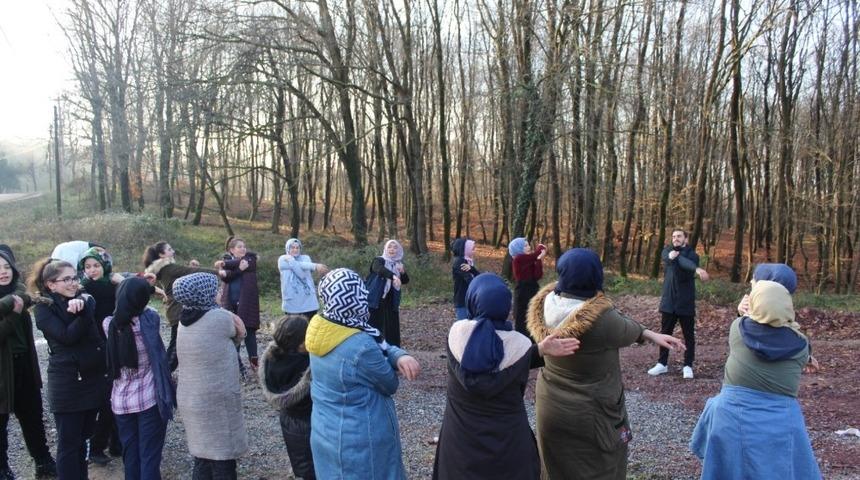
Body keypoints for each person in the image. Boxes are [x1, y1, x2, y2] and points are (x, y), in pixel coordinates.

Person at [527, 248, 686, 480]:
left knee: (555, 465)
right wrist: (650, 334)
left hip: (551, 405)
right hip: (592, 411)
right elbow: (627, 328)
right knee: (599, 466)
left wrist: (648, 333)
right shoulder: (602, 320)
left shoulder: (543, 305)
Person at [432, 273, 579, 480]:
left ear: (473, 299)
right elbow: (510, 363)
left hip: (459, 445)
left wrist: (538, 350)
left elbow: (485, 358)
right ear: (505, 306)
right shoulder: (520, 344)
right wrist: (538, 350)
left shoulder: (457, 334)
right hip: (508, 445)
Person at [690, 280, 821, 479]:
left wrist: (742, 309)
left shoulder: (737, 329)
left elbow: (751, 324)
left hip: (731, 417)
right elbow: (785, 344)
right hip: (780, 422)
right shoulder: (802, 345)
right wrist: (808, 358)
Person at [306, 268, 420, 480]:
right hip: (359, 439)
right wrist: (394, 359)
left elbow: (375, 342)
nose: (365, 295)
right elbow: (389, 382)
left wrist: (397, 355)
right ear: (354, 299)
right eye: (360, 292)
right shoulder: (360, 345)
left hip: (327, 430)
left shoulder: (322, 325)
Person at [29, 259, 110, 480]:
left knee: (84, 439)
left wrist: (85, 304)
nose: (73, 283)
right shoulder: (43, 309)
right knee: (68, 443)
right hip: (68, 384)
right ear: (50, 284)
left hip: (92, 380)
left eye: (74, 277)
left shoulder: (83, 299)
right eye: (66, 279)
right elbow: (67, 337)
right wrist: (83, 313)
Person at [173, 273, 248, 480]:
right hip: (216, 400)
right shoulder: (219, 317)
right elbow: (240, 332)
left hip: (191, 397)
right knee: (223, 457)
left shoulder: (183, 320)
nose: (218, 293)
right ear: (203, 294)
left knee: (202, 454)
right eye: (214, 290)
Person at [102, 277, 175, 480]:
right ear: (143, 300)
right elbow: (142, 298)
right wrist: (154, 288)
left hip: (121, 401)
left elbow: (128, 293)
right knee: (149, 456)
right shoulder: (150, 320)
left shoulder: (108, 325)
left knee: (130, 454)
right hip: (149, 399)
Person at [0, 246, 57, 479]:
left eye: (6, 267)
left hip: (24, 365)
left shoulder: (20, 291)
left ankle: (43, 462)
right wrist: (14, 313)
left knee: (32, 416)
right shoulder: (17, 299)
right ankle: (2, 469)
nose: (3, 272)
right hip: (2, 373)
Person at [143, 241, 217, 372]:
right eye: (169, 249)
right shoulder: (168, 268)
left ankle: (163, 373)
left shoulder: (164, 269)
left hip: (174, 310)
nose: (173, 251)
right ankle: (162, 374)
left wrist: (192, 269)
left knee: (176, 346)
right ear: (162, 254)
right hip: (177, 311)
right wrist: (218, 272)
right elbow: (188, 271)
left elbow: (184, 274)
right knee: (175, 348)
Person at [77, 248, 122, 464]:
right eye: (88, 267)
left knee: (117, 392)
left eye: (96, 265)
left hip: (115, 342)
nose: (92, 270)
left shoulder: (114, 283)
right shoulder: (83, 288)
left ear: (105, 265)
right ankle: (96, 446)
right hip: (96, 346)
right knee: (106, 397)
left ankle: (116, 442)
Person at [647, 228, 709, 379]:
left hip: (685, 301)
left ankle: (688, 366)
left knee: (688, 336)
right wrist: (672, 257)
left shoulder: (693, 256)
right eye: (674, 236)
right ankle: (662, 364)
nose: (676, 238)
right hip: (669, 301)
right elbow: (667, 258)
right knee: (665, 333)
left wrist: (696, 268)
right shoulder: (667, 251)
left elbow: (682, 262)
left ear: (685, 239)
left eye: (679, 236)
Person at [259, 315, 315, 480]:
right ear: (300, 344)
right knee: (312, 467)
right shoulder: (305, 364)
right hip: (308, 421)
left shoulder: (272, 359)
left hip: (288, 419)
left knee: (300, 464)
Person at [737, 263, 819, 373]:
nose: (751, 282)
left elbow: (748, 335)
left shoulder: (740, 327)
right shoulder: (795, 334)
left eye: (755, 280)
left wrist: (743, 316)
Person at [215, 236, 261, 374]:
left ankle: (255, 365)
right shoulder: (230, 262)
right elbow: (226, 277)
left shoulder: (250, 259)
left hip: (247, 303)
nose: (243, 249)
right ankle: (236, 366)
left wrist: (223, 264)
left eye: (244, 246)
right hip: (230, 302)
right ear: (232, 250)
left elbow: (240, 265)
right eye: (239, 247)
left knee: (249, 332)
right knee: (234, 333)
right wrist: (238, 270)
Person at [366, 240, 409, 347]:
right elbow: (379, 269)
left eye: (395, 247)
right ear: (386, 249)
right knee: (374, 325)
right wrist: (393, 276)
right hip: (376, 299)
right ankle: (372, 348)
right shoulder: (379, 260)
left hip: (391, 299)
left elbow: (405, 280)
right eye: (390, 247)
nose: (392, 249)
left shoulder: (398, 264)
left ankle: (393, 350)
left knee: (391, 326)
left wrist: (402, 272)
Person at [278, 239, 328, 319]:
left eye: (297, 248)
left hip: (308, 302)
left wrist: (291, 261)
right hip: (292, 302)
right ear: (287, 248)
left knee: (309, 328)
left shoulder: (306, 258)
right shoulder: (282, 259)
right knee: (293, 329)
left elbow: (303, 275)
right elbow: (300, 274)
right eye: (292, 247)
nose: (295, 250)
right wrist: (315, 266)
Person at [508, 237, 547, 339]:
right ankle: (520, 341)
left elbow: (537, 275)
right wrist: (540, 247)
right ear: (518, 249)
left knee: (533, 317)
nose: (529, 247)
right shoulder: (518, 259)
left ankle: (533, 341)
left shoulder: (529, 260)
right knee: (522, 319)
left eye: (528, 245)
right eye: (525, 245)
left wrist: (539, 261)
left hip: (533, 289)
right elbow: (536, 254)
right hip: (522, 292)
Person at [451, 238, 479, 320]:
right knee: (463, 326)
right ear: (465, 249)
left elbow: (477, 276)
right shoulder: (459, 262)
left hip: (470, 299)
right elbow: (470, 280)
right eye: (472, 249)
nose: (474, 251)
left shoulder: (468, 261)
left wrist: (472, 269)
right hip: (462, 300)